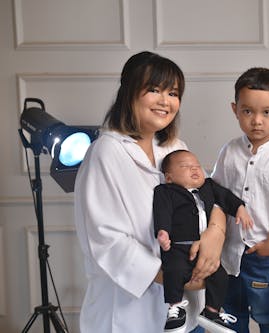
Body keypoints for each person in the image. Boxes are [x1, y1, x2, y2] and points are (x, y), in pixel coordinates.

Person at [74, 51, 227, 333]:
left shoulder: (174, 147)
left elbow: (209, 198)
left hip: (185, 309)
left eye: (173, 93)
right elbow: (106, 240)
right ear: (129, 92)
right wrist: (171, 277)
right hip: (128, 314)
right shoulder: (106, 153)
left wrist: (215, 234)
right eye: (154, 90)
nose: (165, 101)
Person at [211, 67, 269, 333]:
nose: (257, 121)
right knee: (230, 314)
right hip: (229, 255)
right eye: (247, 111)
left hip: (262, 254)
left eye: (266, 112)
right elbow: (217, 194)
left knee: (266, 314)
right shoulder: (229, 152)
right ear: (235, 109)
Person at [153, 149, 253, 332]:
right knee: (174, 271)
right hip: (178, 247)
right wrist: (163, 232)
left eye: (197, 165)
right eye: (185, 166)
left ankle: (211, 312)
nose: (194, 169)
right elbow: (162, 213)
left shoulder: (208, 186)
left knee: (220, 275)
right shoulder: (165, 191)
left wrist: (239, 207)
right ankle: (175, 309)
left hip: (203, 249)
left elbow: (226, 197)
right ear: (169, 177)